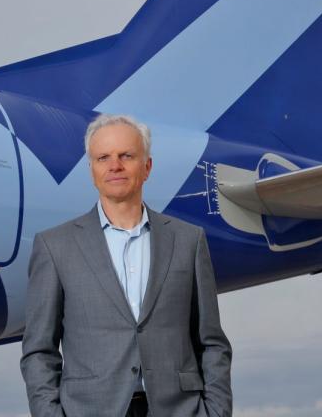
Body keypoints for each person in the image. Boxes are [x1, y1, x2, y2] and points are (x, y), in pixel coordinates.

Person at [20, 113, 232, 417]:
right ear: (91, 170)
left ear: (146, 167)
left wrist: (217, 412)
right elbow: (39, 351)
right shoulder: (55, 247)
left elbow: (211, 343)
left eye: (126, 156)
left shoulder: (188, 240)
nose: (114, 166)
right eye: (103, 157)